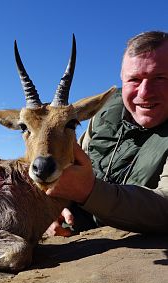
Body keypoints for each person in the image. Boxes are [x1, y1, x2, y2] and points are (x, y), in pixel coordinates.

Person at [46, 30, 168, 236]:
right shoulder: (105, 111)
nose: (145, 92)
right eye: (134, 80)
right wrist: (54, 206)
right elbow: (70, 166)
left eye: (160, 77)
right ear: (122, 78)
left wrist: (89, 192)